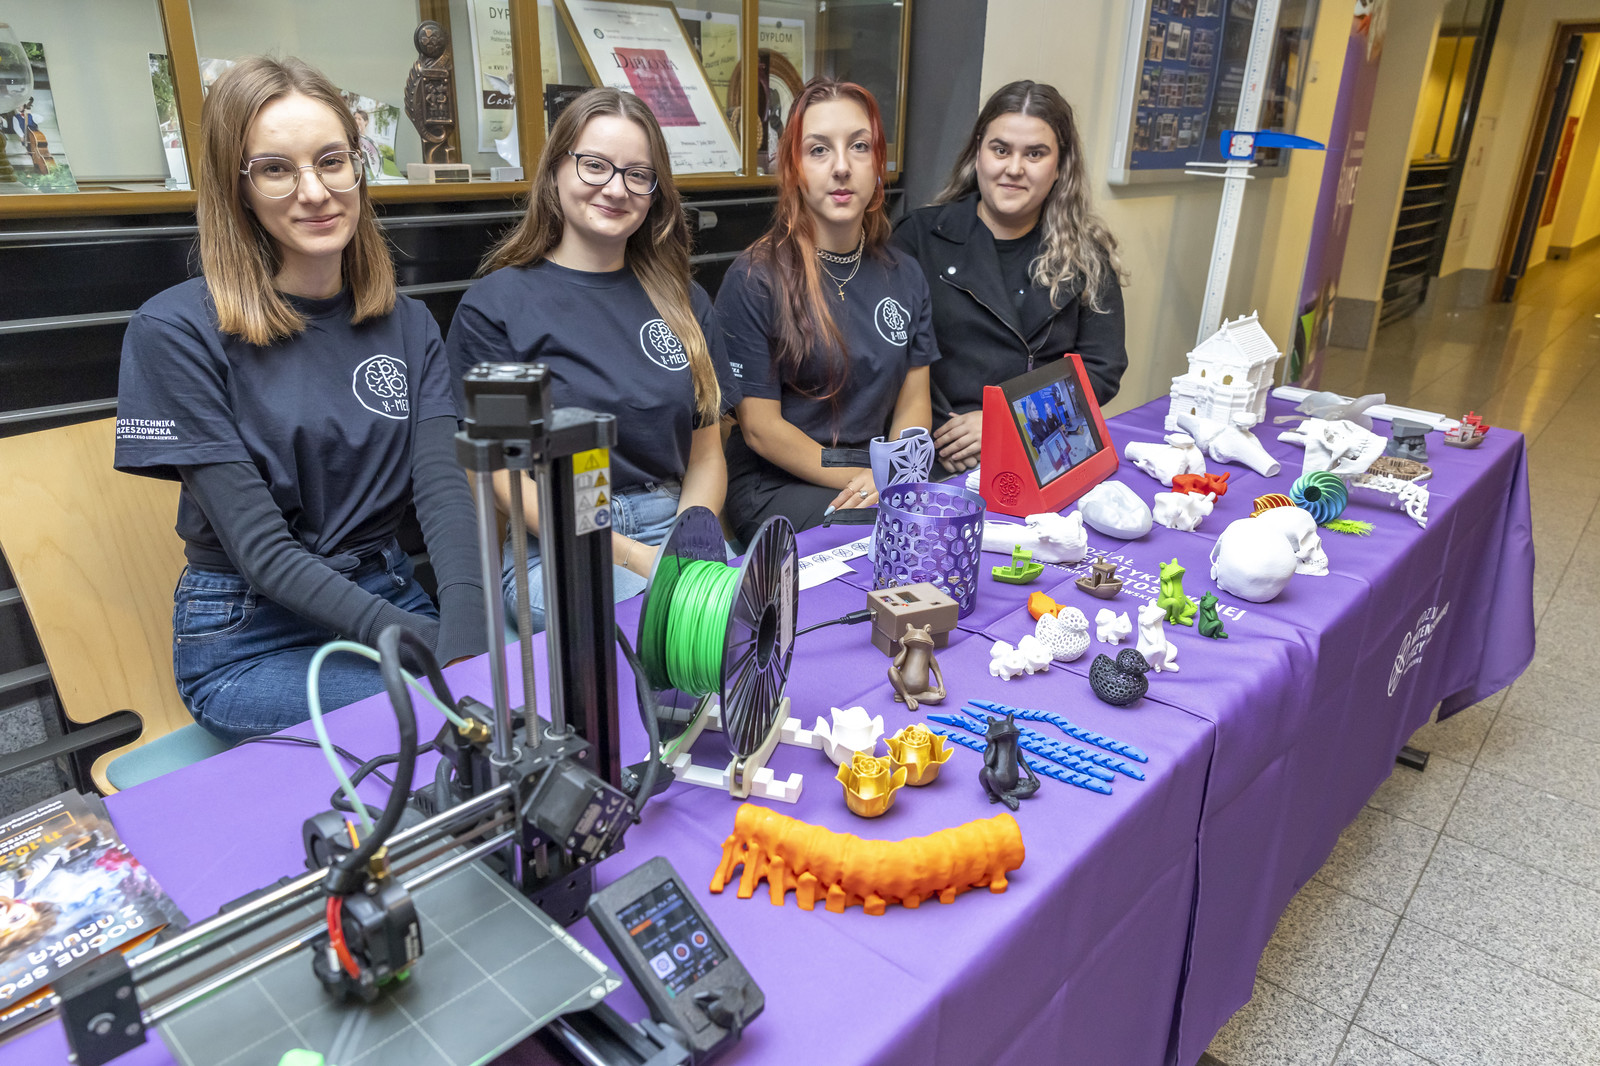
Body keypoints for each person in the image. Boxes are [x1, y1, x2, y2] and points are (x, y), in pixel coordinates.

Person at [114, 56, 485, 743]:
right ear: (239, 188)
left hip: (390, 594)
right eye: (276, 169)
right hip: (250, 638)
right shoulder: (173, 329)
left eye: (332, 161)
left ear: (358, 167)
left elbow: (442, 489)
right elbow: (262, 552)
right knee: (442, 724)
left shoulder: (408, 323)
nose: (315, 191)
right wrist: (433, 657)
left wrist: (467, 629)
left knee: (504, 709)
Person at [446, 87, 738, 633]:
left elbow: (706, 456)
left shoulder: (684, 302)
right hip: (556, 540)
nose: (616, 188)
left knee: (753, 622)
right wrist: (637, 559)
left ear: (655, 192)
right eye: (595, 165)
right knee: (660, 633)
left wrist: (688, 546)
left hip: (674, 523)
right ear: (556, 170)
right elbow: (502, 477)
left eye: (637, 174)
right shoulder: (497, 306)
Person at [717, 78, 937, 543]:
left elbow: (914, 402)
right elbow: (760, 430)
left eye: (859, 146)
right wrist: (870, 480)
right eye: (819, 150)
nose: (841, 167)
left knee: (947, 518)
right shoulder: (755, 277)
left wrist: (895, 474)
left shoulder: (905, 274)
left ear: (877, 163)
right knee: (897, 537)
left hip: (877, 475)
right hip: (778, 481)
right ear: (794, 168)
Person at [892, 80, 1127, 475]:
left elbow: (1102, 368)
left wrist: (1007, 422)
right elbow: (891, 356)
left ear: (1060, 166)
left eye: (1035, 154)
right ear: (978, 153)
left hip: (1047, 448)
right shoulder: (917, 237)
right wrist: (945, 435)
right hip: (941, 450)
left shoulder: (1087, 253)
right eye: (1001, 150)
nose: (1014, 169)